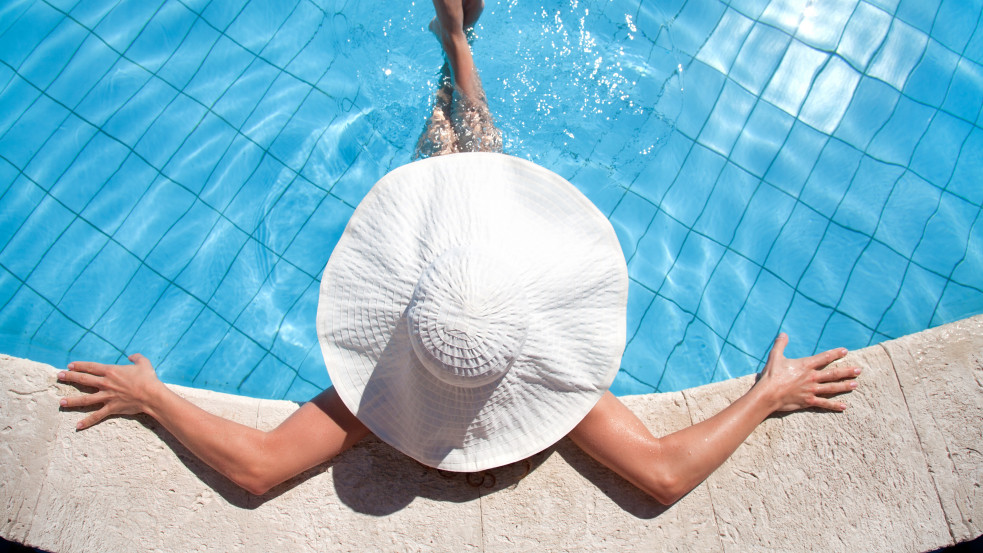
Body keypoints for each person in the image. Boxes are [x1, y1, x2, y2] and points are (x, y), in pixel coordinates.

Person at [56, 0, 861, 505]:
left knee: (460, 174)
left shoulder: (373, 399)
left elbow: (259, 467)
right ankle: (456, 45)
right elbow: (660, 474)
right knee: (472, 175)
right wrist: (767, 394)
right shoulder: (557, 385)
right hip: (481, 293)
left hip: (457, 292)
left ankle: (453, 42)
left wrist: (153, 396)